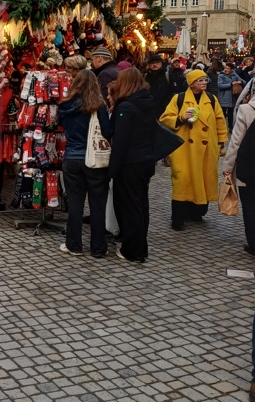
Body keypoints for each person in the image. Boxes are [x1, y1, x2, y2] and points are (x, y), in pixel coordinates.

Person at [159, 69, 228, 231]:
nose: (204, 83)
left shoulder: (211, 99)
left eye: (205, 80)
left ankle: (197, 212)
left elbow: (220, 121)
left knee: (203, 179)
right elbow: (165, 118)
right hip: (184, 149)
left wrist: (221, 142)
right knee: (182, 181)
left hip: (206, 149)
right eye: (200, 81)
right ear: (191, 83)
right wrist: (181, 118)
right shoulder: (179, 99)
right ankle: (178, 217)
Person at [57, 69, 112, 258]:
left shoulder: (65, 105)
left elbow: (60, 124)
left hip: (72, 157)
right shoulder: (99, 106)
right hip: (95, 159)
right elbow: (107, 131)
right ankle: (98, 247)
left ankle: (74, 245)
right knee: (97, 204)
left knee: (75, 204)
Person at [107, 68, 157, 263]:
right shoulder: (147, 102)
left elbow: (120, 141)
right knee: (140, 204)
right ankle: (139, 246)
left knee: (129, 206)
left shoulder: (126, 107)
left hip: (129, 162)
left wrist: (112, 170)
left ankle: (132, 250)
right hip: (145, 159)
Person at [222, 84, 255, 257]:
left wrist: (227, 167)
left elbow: (235, 142)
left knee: (250, 205)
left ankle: (253, 244)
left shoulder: (245, 109)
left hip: (249, 166)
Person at [144, 53, 172, 120]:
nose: (154, 65)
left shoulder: (167, 75)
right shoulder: (146, 76)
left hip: (164, 107)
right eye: (152, 63)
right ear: (149, 65)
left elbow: (172, 90)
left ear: (161, 64)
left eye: (157, 63)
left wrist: (166, 102)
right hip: (150, 107)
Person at [217, 61, 239, 132]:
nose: (226, 69)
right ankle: (221, 127)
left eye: (228, 68)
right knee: (222, 114)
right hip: (223, 97)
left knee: (230, 114)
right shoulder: (221, 75)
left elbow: (243, 81)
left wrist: (240, 82)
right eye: (225, 68)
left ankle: (230, 127)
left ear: (232, 69)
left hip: (232, 97)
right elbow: (220, 85)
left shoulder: (234, 75)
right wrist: (231, 84)